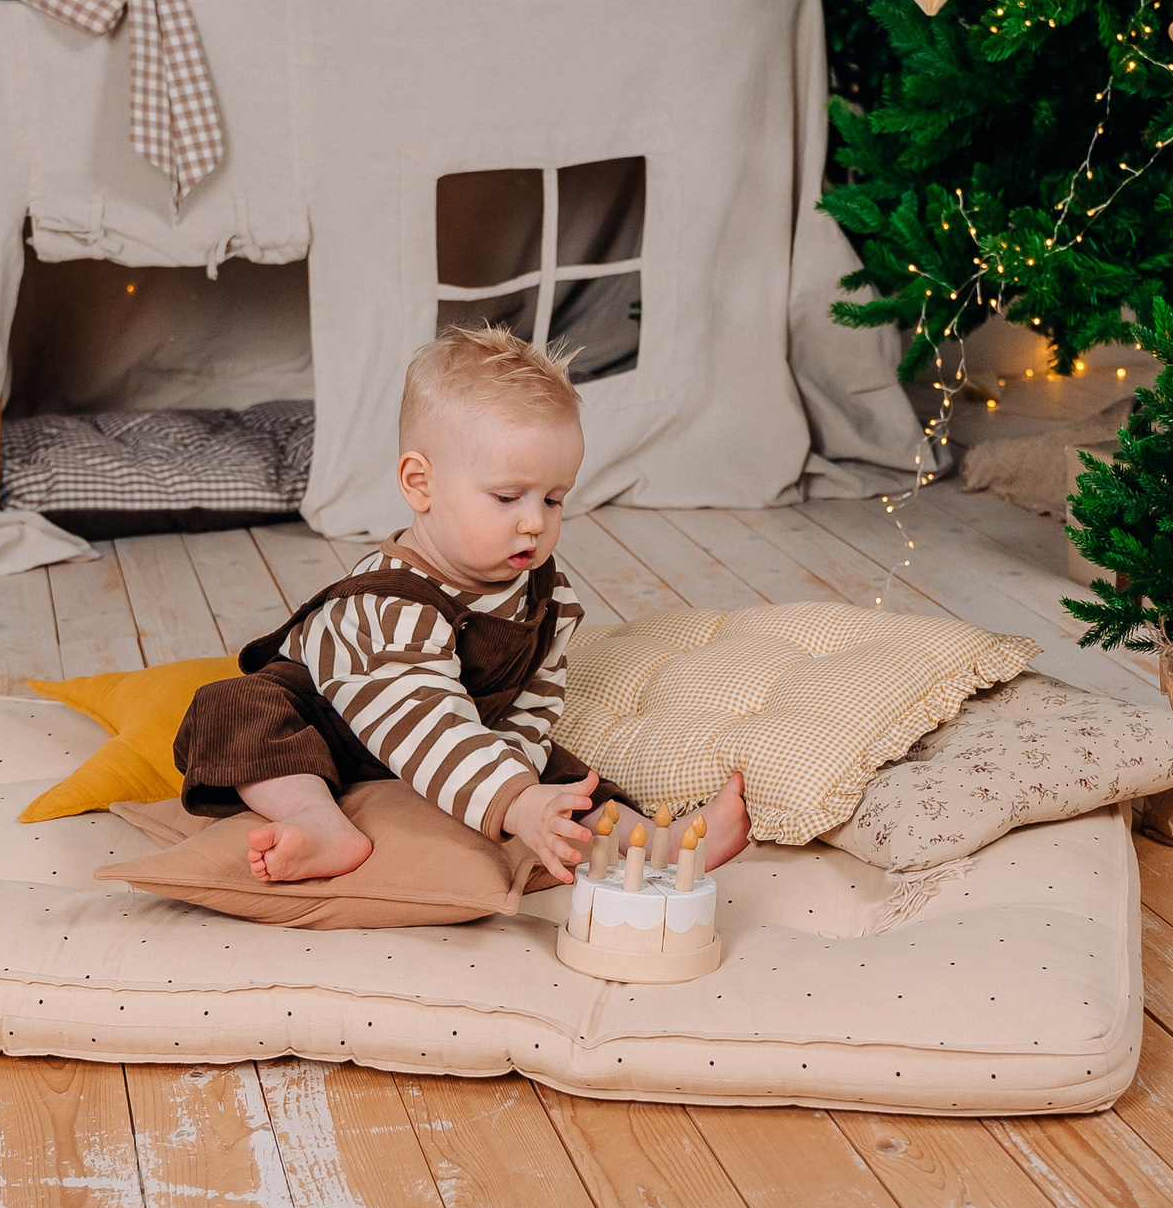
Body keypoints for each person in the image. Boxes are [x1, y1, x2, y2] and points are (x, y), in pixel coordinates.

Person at [172, 323, 752, 887]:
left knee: (563, 774)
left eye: (554, 499)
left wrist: (524, 779)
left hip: (461, 732)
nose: (535, 521)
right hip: (336, 729)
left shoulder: (544, 592)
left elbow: (535, 698)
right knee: (232, 710)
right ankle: (315, 818)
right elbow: (420, 722)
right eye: (507, 497)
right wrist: (511, 801)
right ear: (420, 484)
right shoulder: (387, 604)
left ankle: (654, 841)